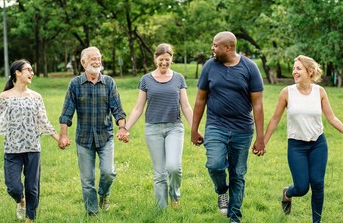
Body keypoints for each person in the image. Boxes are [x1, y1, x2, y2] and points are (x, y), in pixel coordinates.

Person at [263, 55, 343, 223]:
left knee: (318, 183)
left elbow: (331, 118)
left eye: (298, 68)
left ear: (309, 71)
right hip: (296, 146)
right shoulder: (287, 92)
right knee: (302, 187)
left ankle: (316, 221)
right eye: (294, 68)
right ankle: (287, 193)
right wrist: (263, 141)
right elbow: (275, 119)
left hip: (318, 144)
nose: (294, 72)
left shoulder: (320, 92)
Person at [191, 31, 265, 223]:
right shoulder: (209, 66)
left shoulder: (250, 68)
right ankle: (221, 190)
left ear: (228, 47)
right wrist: (194, 128)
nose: (212, 48)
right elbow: (200, 99)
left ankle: (234, 217)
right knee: (214, 165)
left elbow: (257, 104)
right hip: (216, 126)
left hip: (242, 129)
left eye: (215, 45)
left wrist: (260, 137)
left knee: (238, 174)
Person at [119, 43, 194, 209]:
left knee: (174, 167)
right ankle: (162, 209)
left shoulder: (179, 78)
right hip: (153, 129)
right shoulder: (146, 80)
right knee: (160, 173)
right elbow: (139, 108)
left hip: (175, 127)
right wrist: (125, 128)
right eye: (161, 59)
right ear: (155, 58)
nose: (164, 63)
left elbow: (186, 106)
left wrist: (194, 129)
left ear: (171, 59)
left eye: (167, 59)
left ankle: (175, 195)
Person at [59, 46, 127, 216]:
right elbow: (67, 111)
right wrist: (63, 135)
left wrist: (123, 128)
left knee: (108, 172)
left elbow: (117, 109)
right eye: (93, 59)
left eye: (98, 58)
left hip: (105, 136)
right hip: (84, 139)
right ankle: (92, 213)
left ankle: (103, 194)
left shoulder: (109, 82)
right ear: (83, 63)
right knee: (87, 180)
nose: (97, 61)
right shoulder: (75, 84)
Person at [0, 59, 63, 223]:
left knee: (32, 188)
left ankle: (30, 218)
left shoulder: (36, 97)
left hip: (32, 148)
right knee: (13, 187)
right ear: (17, 73)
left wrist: (58, 138)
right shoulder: (5, 96)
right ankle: (20, 201)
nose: (32, 73)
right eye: (28, 70)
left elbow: (43, 120)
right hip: (12, 149)